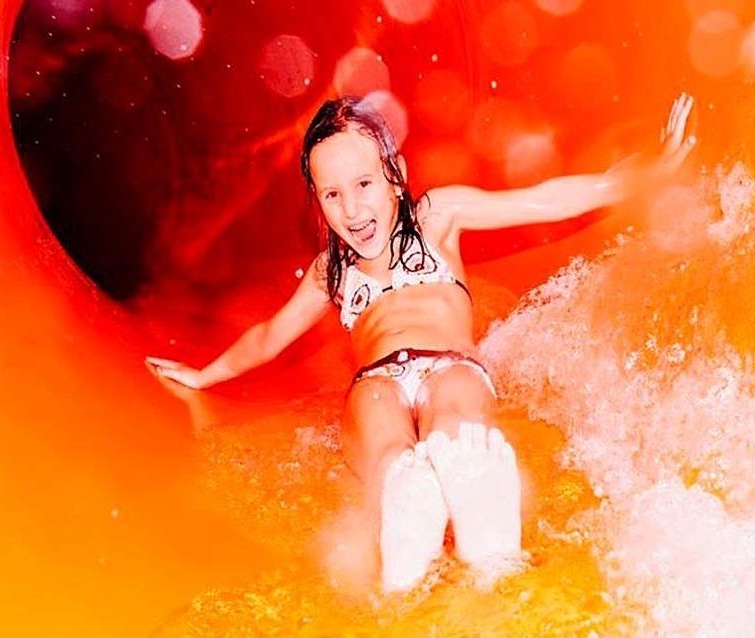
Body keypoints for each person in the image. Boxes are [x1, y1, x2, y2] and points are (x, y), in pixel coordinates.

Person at [146, 92, 696, 593]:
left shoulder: (437, 218)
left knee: (454, 405)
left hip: (449, 363)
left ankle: (474, 492)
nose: (352, 210)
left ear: (395, 176)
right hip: (376, 379)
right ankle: (406, 495)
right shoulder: (329, 273)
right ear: (317, 201)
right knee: (381, 429)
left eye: (364, 185)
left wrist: (625, 182)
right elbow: (269, 336)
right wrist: (204, 374)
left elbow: (537, 200)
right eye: (332, 194)